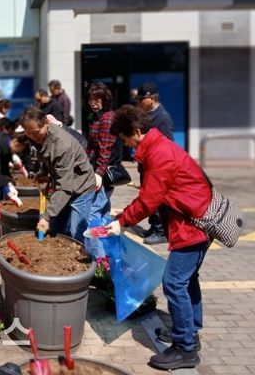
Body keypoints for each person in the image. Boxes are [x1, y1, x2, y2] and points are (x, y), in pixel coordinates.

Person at [106, 105, 210, 371]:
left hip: (192, 224)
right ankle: (189, 332)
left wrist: (122, 222)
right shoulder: (156, 146)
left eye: (125, 138)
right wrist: (125, 217)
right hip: (191, 218)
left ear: (137, 131)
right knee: (187, 279)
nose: (126, 144)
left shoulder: (159, 154)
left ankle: (185, 349)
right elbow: (150, 196)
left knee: (174, 282)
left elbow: (149, 200)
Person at [19, 107, 96, 243]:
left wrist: (46, 217)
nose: (32, 136)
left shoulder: (62, 144)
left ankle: (90, 255)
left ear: (46, 123)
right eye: (28, 133)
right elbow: (48, 156)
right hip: (65, 185)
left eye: (35, 132)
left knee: (76, 232)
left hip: (81, 188)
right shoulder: (41, 136)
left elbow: (64, 187)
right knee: (58, 227)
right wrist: (44, 172)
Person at [136, 82, 175, 245]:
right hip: (146, 164)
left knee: (158, 199)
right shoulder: (147, 114)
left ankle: (161, 231)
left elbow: (168, 144)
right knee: (149, 198)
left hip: (156, 167)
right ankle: (154, 226)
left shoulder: (162, 118)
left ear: (152, 98)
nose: (139, 102)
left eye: (142, 99)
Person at [85, 82, 121, 219]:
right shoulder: (95, 116)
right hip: (97, 165)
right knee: (102, 205)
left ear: (105, 99)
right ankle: (104, 229)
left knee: (95, 207)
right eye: (90, 100)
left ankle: (93, 232)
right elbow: (91, 146)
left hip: (105, 168)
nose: (93, 103)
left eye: (97, 99)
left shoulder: (107, 118)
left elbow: (106, 148)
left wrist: (99, 173)